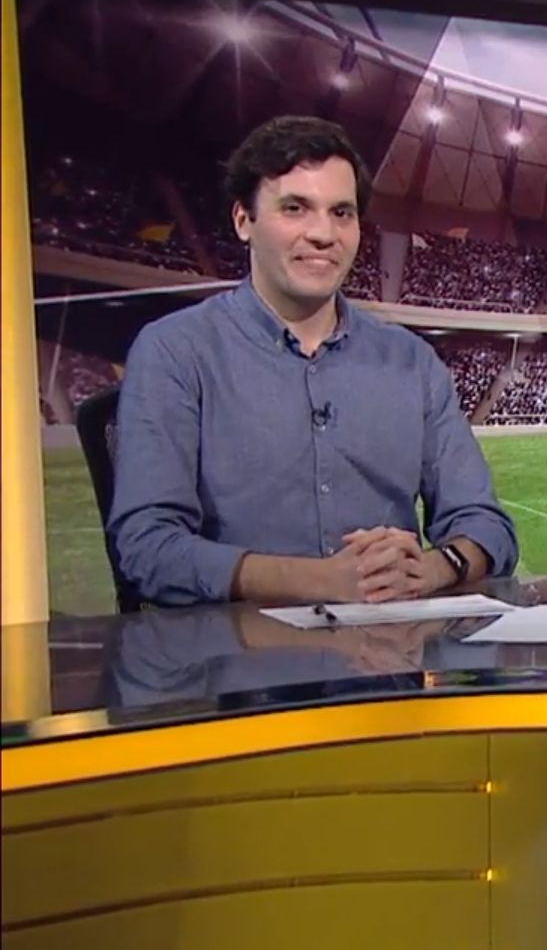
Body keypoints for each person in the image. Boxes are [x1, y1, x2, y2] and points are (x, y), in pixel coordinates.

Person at [108, 115, 517, 607]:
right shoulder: (175, 351)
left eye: (342, 213)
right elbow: (147, 548)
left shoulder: (412, 362)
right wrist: (321, 580)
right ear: (244, 221)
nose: (323, 233)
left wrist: (430, 569)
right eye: (295, 208)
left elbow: (487, 525)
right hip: (234, 651)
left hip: (389, 648)